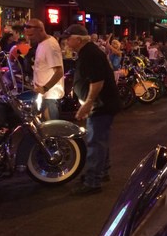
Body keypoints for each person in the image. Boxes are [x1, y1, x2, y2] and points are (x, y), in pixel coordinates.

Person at [64, 24, 121, 195]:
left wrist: (87, 103)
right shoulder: (88, 52)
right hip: (103, 103)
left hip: (101, 104)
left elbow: (97, 81)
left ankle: (92, 181)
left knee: (95, 141)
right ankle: (101, 172)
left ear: (78, 39)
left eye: (69, 37)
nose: (66, 40)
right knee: (100, 140)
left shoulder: (90, 54)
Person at [24, 19, 65, 120]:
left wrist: (45, 88)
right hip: (43, 94)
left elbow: (59, 72)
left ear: (41, 30)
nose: (29, 38)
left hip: (49, 96)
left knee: (51, 129)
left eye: (31, 35)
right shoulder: (42, 43)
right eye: (28, 35)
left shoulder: (50, 46)